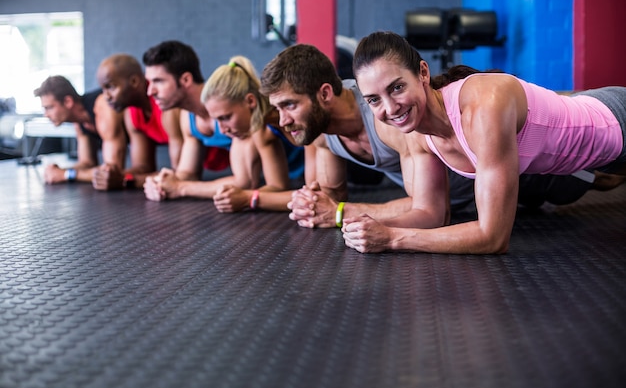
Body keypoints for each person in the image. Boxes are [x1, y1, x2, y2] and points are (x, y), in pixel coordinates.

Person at [261, 43, 609, 229]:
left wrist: (340, 212)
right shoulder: (322, 135)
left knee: (603, 175)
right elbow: (329, 196)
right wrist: (310, 205)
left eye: (289, 105)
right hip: (475, 198)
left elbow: (428, 209)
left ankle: (598, 104)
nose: (281, 120)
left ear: (324, 94)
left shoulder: (390, 121)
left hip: (519, 169)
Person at [343, 30, 626, 254]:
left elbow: (492, 237)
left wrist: (393, 239)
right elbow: (430, 213)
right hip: (603, 156)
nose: (390, 108)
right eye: (374, 100)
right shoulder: (417, 132)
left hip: (617, 121)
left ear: (423, 73)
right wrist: (368, 225)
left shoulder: (482, 108)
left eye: (397, 87)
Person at [144, 56, 309, 212]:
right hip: (301, 181)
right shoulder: (260, 129)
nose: (222, 130)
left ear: (250, 101)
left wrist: (248, 198)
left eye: (226, 118)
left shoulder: (305, 123)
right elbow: (277, 187)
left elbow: (319, 195)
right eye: (218, 120)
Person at [141, 40, 232, 199]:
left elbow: (246, 181)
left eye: (158, 81)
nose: (150, 91)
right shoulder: (187, 116)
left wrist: (181, 188)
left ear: (186, 80)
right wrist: (162, 183)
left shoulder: (229, 106)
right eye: (149, 82)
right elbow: (188, 173)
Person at [93, 53, 184, 190]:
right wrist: (112, 176)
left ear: (134, 82)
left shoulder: (166, 105)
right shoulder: (132, 113)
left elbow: (179, 176)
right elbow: (144, 167)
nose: (106, 97)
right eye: (103, 89)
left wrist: (124, 180)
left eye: (111, 87)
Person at [34, 75, 127, 185]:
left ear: (68, 101)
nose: (46, 115)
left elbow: (111, 173)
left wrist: (66, 174)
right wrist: (57, 171)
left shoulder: (102, 106)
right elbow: (87, 163)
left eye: (49, 108)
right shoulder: (78, 122)